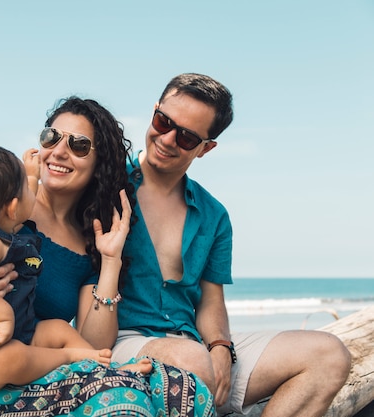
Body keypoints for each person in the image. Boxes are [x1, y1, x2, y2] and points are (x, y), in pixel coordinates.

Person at [0, 97, 216, 416]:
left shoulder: (90, 238)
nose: (59, 151)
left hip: (40, 359)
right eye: (51, 137)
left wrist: (110, 260)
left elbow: (90, 341)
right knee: (122, 399)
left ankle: (118, 372)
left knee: (182, 389)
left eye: (79, 145)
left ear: (98, 163)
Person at [109, 72, 351, 416]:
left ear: (207, 148)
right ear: (154, 112)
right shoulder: (108, 190)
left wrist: (221, 347)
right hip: (125, 342)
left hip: (192, 343)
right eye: (163, 122)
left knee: (329, 354)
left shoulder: (214, 215)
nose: (167, 139)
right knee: (192, 359)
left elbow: (211, 301)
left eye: (187, 137)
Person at [0, 144, 121, 399]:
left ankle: (101, 372)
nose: (34, 192)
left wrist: (30, 176)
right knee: (10, 357)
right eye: (26, 187)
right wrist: (2, 315)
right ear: (12, 207)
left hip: (20, 334)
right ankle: (69, 357)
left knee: (59, 329)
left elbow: (21, 203)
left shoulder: (6, 228)